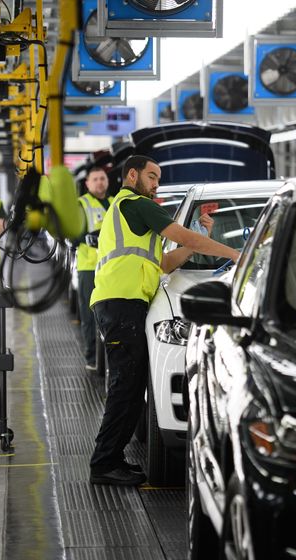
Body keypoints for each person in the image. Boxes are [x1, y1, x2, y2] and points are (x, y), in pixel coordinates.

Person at [89, 155, 239, 486]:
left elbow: (166, 263)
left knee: (130, 387)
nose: (157, 184)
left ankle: (111, 460)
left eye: (158, 178)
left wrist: (197, 236)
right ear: (133, 175)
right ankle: (103, 464)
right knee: (125, 388)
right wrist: (236, 254)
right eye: (152, 176)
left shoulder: (131, 215)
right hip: (120, 303)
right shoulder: (136, 204)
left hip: (123, 303)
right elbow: (185, 238)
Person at [76, 167, 112, 372]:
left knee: (110, 314)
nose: (99, 182)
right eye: (95, 179)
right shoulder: (82, 204)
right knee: (90, 314)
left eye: (102, 179)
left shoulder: (116, 201)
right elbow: (73, 233)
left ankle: (108, 356)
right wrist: (88, 237)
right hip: (89, 267)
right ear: (88, 183)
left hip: (112, 267)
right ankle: (91, 357)